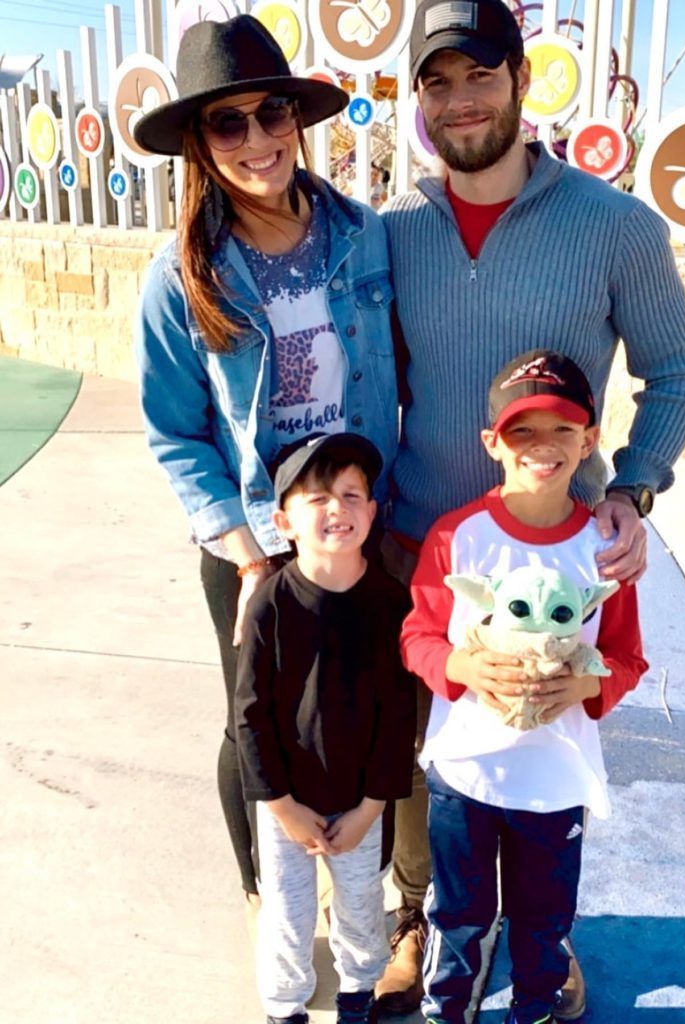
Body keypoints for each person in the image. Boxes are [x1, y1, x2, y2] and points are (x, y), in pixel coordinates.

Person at [377, 0, 685, 1014]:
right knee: (422, 756)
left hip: (560, 553)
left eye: (479, 73)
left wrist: (636, 487)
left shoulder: (617, 227)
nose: (459, 98)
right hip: (420, 547)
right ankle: (421, 920)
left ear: (522, 81)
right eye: (437, 81)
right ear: (420, 104)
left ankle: (541, 939)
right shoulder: (390, 236)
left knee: (545, 748)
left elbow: (677, 372)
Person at [132, 15, 398, 924]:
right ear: (199, 145)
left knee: (363, 709)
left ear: (297, 118)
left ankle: (357, 887)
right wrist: (249, 558)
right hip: (255, 535)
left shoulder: (362, 236)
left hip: (358, 525)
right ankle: (266, 891)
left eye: (270, 112)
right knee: (254, 720)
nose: (256, 140)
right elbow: (174, 432)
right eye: (227, 122)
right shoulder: (182, 276)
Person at [401, 350, 648, 1024]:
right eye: (522, 432)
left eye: (562, 430)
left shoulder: (602, 547)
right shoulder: (457, 536)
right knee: (456, 915)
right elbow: (417, 637)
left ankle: (534, 1008)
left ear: (589, 441)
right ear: (492, 444)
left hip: (554, 776)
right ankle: (445, 1008)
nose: (543, 448)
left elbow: (625, 657)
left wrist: (583, 691)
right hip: (466, 773)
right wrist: (462, 667)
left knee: (542, 921)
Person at [235, 432, 416, 1024]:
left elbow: (397, 715)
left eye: (351, 493)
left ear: (373, 510)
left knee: (363, 907)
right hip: (287, 800)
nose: (337, 508)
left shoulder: (390, 602)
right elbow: (250, 716)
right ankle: (284, 1008)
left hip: (358, 803)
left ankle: (357, 997)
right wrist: (282, 806)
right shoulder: (270, 604)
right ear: (283, 520)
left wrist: (370, 806)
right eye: (317, 498)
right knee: (287, 915)